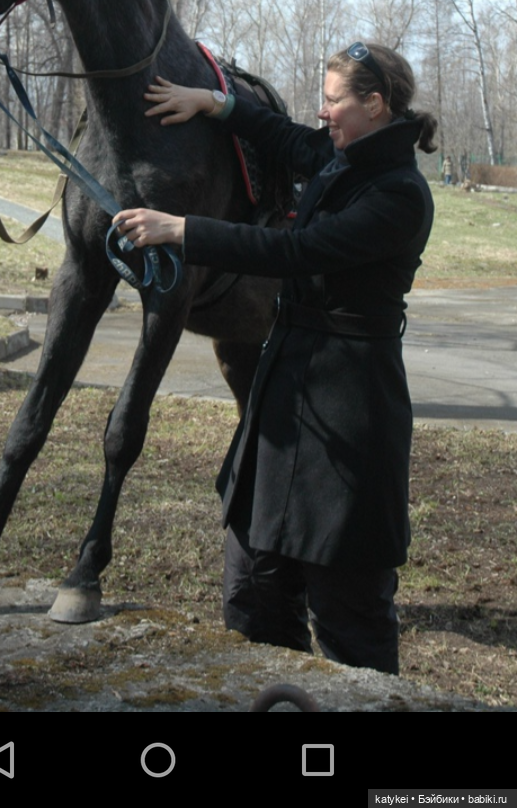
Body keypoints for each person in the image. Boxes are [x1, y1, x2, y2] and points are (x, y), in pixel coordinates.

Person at [113, 42, 437, 675]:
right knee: (251, 592)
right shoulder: (339, 154)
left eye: (334, 100)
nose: (322, 113)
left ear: (374, 105)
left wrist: (182, 229)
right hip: (283, 400)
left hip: (350, 412)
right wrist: (212, 101)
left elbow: (297, 251)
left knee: (349, 618)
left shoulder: (400, 196)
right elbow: (280, 136)